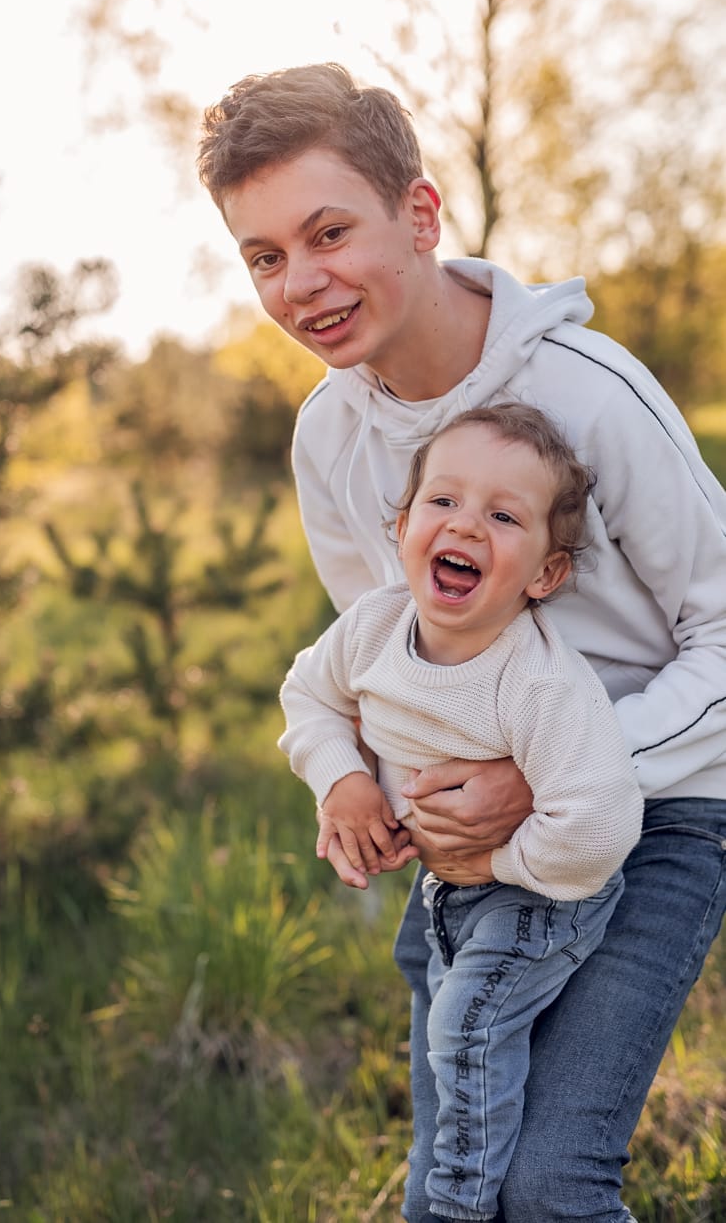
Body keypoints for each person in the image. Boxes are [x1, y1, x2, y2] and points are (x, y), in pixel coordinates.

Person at [196, 61, 726, 1223]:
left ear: (421, 214)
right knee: (456, 1189)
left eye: (329, 231)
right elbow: (374, 660)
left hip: (660, 804)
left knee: (547, 1186)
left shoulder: (591, 394)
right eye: (266, 256)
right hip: (469, 859)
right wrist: (354, 779)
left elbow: (724, 633)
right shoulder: (330, 439)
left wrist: (547, 783)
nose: (303, 283)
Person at [278, 402, 644, 1221]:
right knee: (457, 1039)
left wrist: (494, 863)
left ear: (544, 574)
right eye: (443, 502)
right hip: (446, 890)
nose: (466, 525)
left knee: (468, 1029)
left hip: (543, 894)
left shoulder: (540, 683)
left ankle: (455, 1205)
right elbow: (308, 696)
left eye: (503, 516)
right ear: (402, 526)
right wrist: (343, 782)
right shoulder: (373, 627)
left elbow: (596, 827)